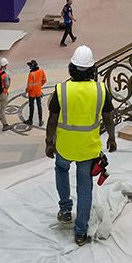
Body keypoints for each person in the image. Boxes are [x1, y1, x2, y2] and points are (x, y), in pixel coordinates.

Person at [47, 45, 118, 247]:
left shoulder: (61, 89)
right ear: (92, 69)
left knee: (61, 170)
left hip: (64, 146)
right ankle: (80, 232)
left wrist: (49, 143)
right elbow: (108, 118)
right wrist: (111, 138)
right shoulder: (100, 89)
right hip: (88, 147)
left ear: (71, 67)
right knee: (85, 187)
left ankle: (65, 209)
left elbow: (52, 120)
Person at [25, 60, 48, 128]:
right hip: (38, 92)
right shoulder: (41, 71)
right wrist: (39, 86)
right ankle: (40, 120)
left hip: (32, 93)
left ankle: (30, 120)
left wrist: (26, 90)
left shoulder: (31, 74)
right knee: (39, 106)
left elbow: (30, 86)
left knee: (31, 106)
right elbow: (44, 80)